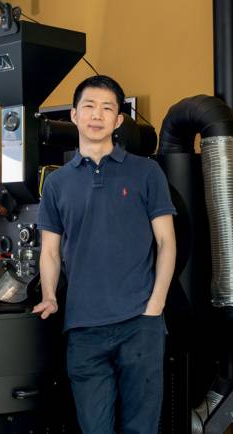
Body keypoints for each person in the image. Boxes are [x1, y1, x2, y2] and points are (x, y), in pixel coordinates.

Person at [33, 75, 176, 434]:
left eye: (107, 108)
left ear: (118, 120)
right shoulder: (56, 183)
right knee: (94, 427)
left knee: (141, 428)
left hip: (139, 322)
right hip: (83, 328)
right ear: (74, 115)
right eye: (89, 107)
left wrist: (155, 305)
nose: (97, 115)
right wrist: (49, 294)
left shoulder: (146, 172)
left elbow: (166, 242)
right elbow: (50, 250)